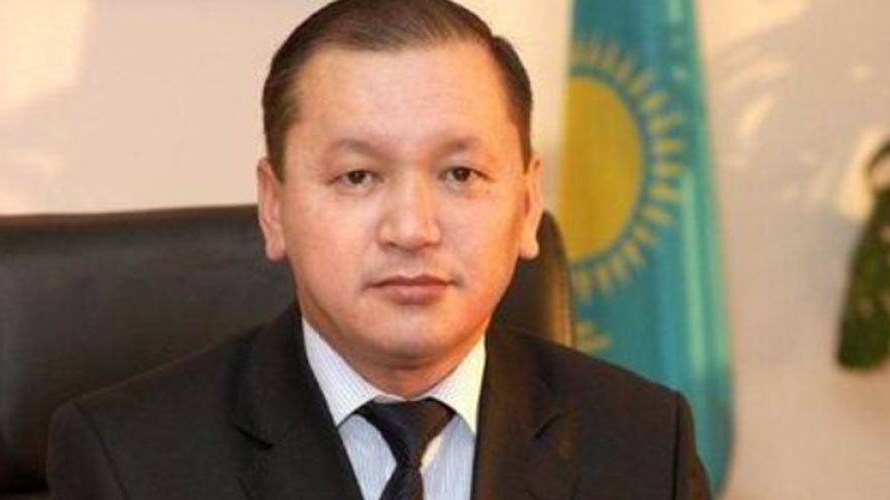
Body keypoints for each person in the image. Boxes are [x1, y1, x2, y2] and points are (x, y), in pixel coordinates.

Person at [46, 0, 710, 498]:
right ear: (274, 207)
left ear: (528, 203)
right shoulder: (129, 462)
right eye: (358, 176)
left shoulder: (644, 445)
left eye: (460, 173)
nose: (412, 228)